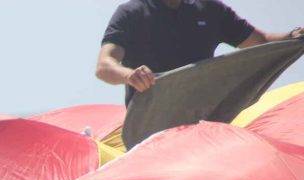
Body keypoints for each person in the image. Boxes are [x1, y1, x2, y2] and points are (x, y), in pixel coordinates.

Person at [95, 0, 304, 105]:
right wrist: (130, 76)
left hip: (203, 118)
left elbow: (262, 41)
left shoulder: (210, 9)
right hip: (150, 122)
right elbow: (105, 66)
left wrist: (295, 35)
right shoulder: (132, 12)